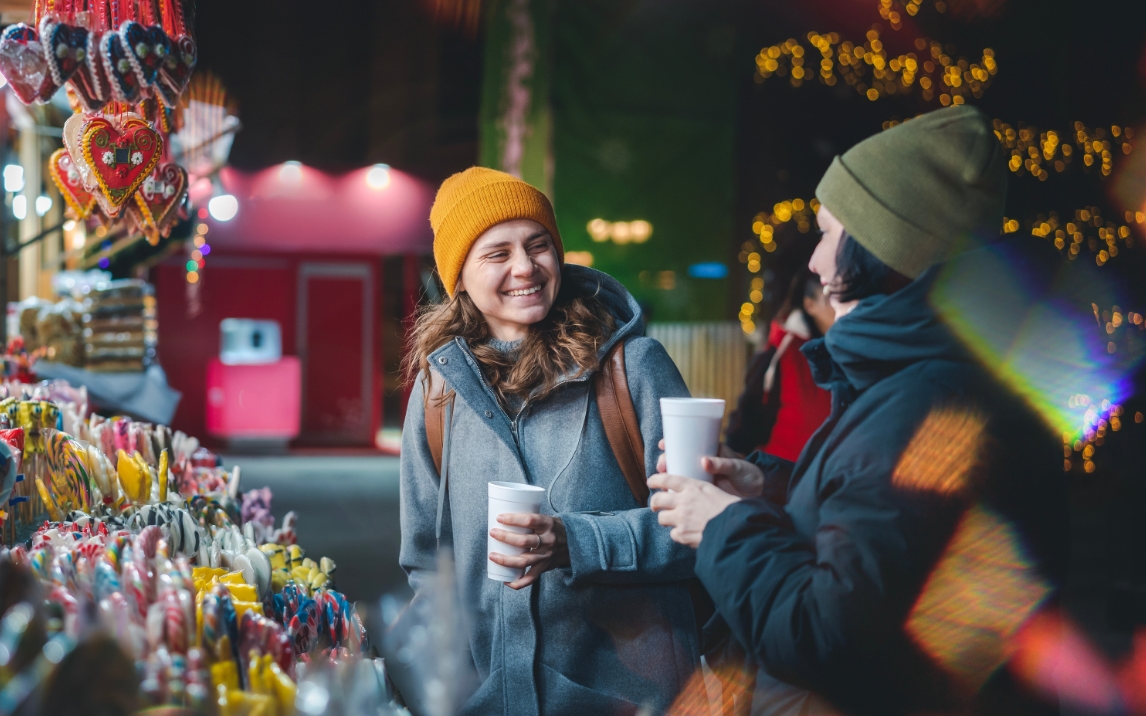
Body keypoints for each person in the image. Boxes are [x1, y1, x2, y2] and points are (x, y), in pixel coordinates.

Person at [647, 107, 1068, 715]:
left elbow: (827, 635)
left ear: (883, 247)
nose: (815, 263)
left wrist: (722, 527)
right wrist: (767, 489)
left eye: (827, 233)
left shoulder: (931, 405)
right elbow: (882, 536)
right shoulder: (934, 378)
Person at [399, 167, 701, 715]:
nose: (525, 267)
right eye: (497, 253)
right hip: (487, 699)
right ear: (459, 276)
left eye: (539, 245)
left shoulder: (631, 370)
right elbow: (426, 560)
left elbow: (698, 532)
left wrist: (575, 541)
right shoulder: (437, 391)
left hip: (629, 699)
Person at [726, 269, 834, 462]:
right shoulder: (783, 351)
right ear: (809, 305)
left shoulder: (850, 351)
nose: (841, 303)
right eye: (829, 295)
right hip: (782, 477)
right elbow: (749, 414)